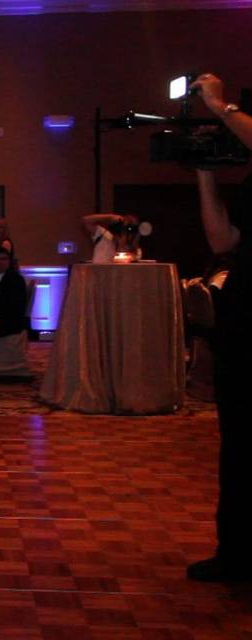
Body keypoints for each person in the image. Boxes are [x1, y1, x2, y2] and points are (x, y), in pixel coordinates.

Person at [185, 72, 252, 583]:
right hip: (245, 316)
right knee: (238, 446)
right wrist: (205, 173)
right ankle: (235, 553)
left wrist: (219, 105)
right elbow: (221, 238)